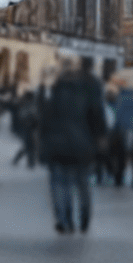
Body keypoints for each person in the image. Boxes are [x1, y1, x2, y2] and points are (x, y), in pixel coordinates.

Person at [39, 56, 106, 234]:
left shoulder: (55, 94)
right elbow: (97, 117)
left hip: (56, 145)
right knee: (83, 182)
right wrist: (99, 138)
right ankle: (84, 217)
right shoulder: (89, 91)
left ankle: (64, 219)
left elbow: (44, 120)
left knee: (60, 183)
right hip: (81, 144)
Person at [112, 82, 133, 188]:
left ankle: (119, 179)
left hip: (121, 132)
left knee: (120, 157)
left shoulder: (120, 100)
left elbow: (117, 116)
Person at [11, 85, 39, 169]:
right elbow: (22, 115)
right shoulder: (25, 104)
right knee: (28, 145)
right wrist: (29, 120)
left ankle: (29, 162)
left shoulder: (31, 104)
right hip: (27, 126)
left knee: (31, 145)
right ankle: (29, 162)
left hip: (32, 126)